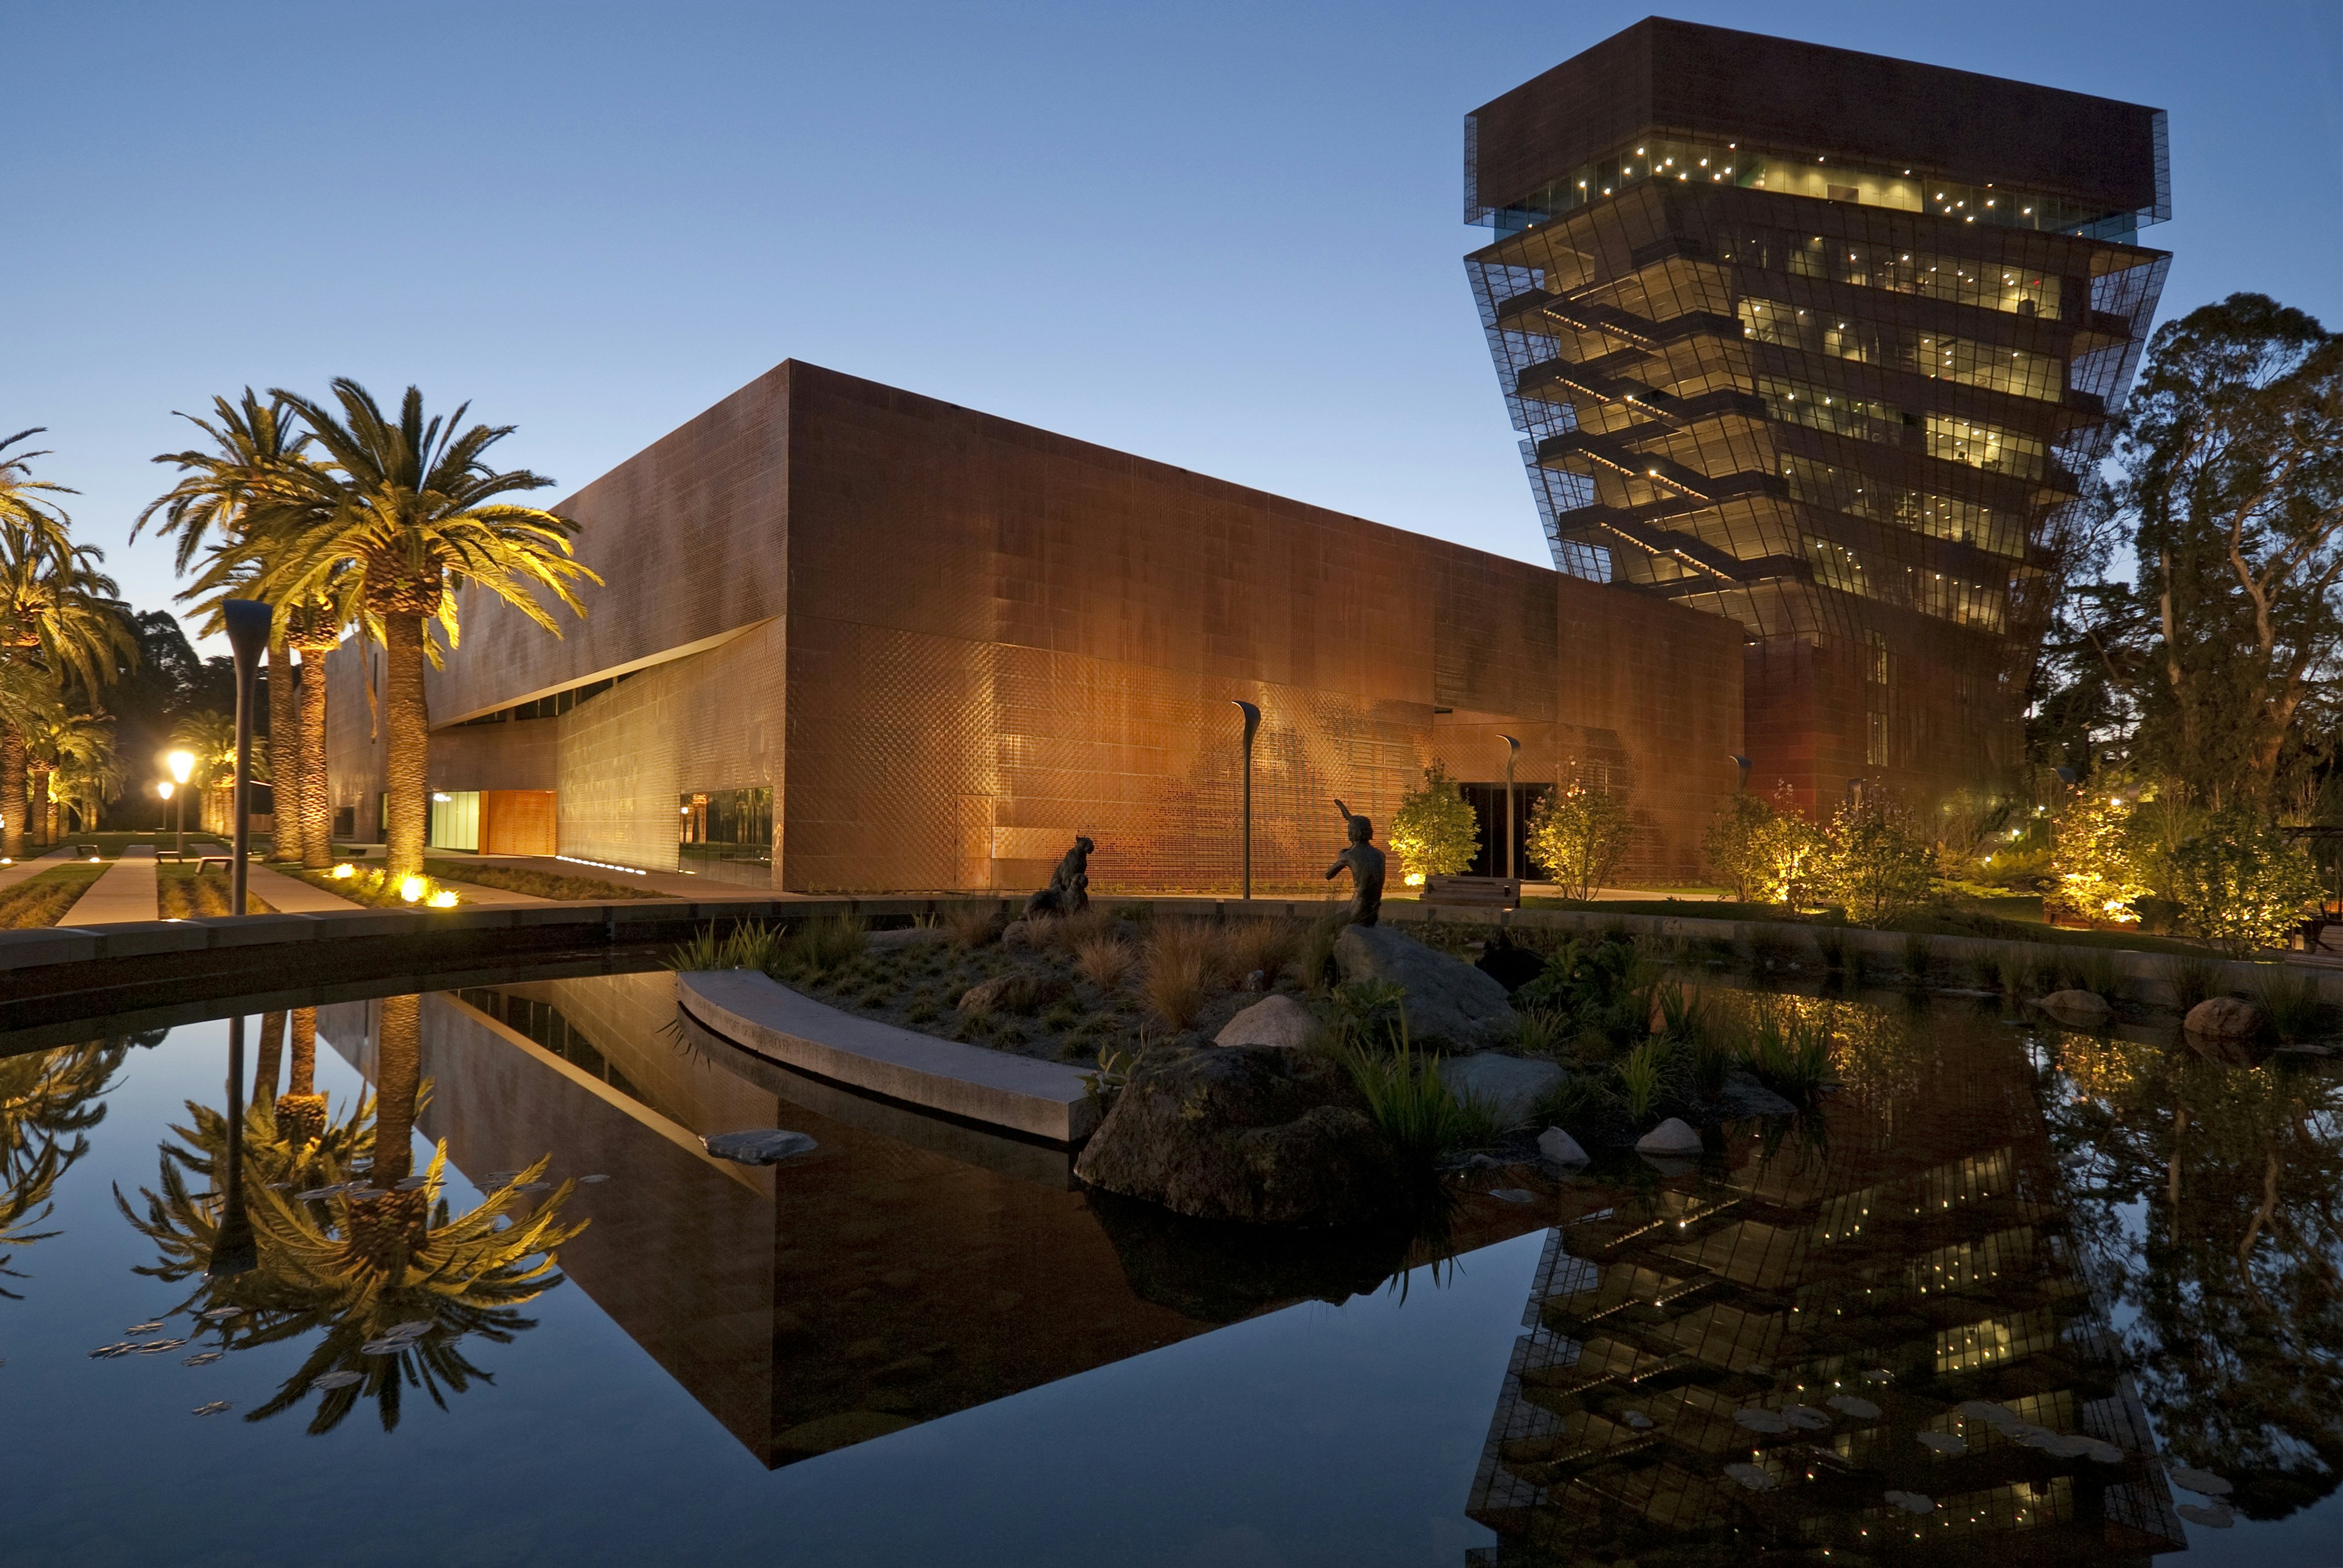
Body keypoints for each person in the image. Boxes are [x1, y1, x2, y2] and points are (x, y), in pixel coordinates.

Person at [1324, 799, 1385, 927]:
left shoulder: (1349, 855)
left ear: (1353, 833)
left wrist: (1342, 857)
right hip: (1373, 913)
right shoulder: (1380, 855)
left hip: (1357, 911)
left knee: (1321, 928)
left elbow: (1329, 875)